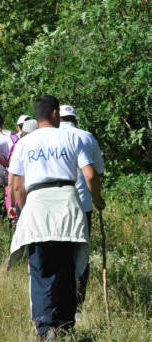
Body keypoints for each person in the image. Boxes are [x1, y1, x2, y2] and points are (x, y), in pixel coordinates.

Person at [8, 95, 105, 342]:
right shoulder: (70, 138)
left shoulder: (24, 143)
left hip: (37, 202)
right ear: (54, 114)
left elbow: (17, 186)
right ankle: (64, 326)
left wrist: (25, 211)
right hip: (67, 204)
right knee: (66, 268)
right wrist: (97, 199)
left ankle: (45, 330)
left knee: (40, 271)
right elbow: (90, 174)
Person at [59, 104, 105, 310]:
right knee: (81, 254)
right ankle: (78, 304)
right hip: (83, 205)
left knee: (59, 253)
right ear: (75, 119)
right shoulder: (86, 137)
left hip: (55, 205)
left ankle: (59, 301)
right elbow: (97, 173)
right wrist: (97, 199)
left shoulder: (49, 136)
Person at [0, 119, 39, 219]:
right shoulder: (45, 147)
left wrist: (12, 204)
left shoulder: (17, 147)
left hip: (22, 197)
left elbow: (12, 183)